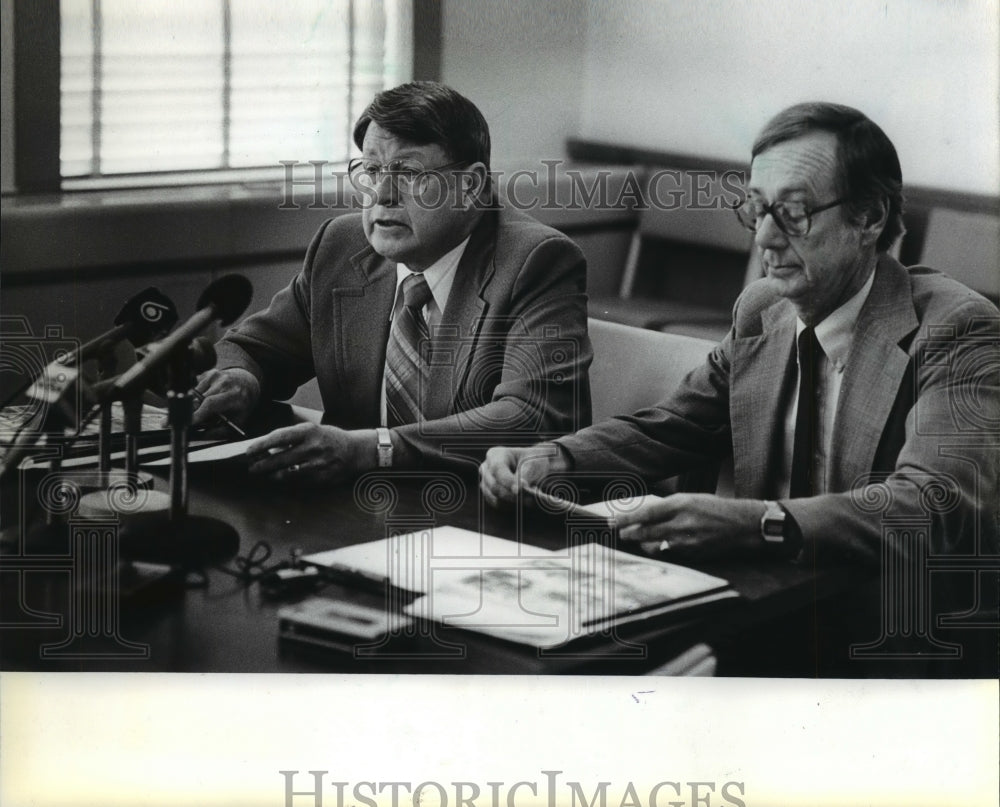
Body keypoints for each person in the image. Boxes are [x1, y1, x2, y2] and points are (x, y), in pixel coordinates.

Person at [480, 102, 999, 674]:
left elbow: (931, 507)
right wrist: (556, 457)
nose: (766, 239)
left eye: (794, 213)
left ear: (870, 217)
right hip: (767, 613)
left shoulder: (958, 327)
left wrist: (758, 521)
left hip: (896, 641)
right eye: (756, 211)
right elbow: (677, 425)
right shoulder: (763, 308)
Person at [194, 81, 592, 483]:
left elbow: (535, 417)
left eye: (408, 173)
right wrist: (240, 382)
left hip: (474, 510)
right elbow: (253, 348)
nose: (382, 194)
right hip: (351, 507)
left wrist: (376, 449)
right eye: (371, 170)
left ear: (469, 186)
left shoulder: (536, 259)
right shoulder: (341, 245)